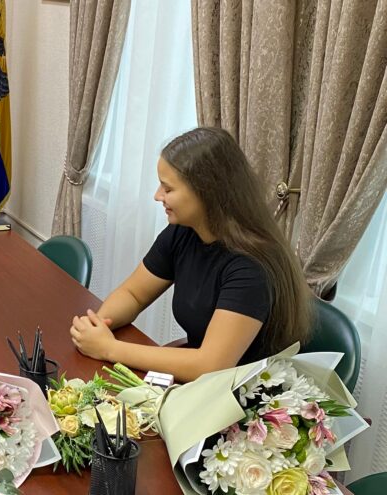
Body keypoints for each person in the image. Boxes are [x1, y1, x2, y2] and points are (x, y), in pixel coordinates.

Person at [69, 127, 312, 383]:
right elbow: (134, 294)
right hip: (202, 383)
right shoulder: (183, 232)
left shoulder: (251, 268)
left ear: (206, 192)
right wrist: (99, 326)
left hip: (246, 396)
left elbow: (210, 365)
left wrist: (109, 349)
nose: (157, 196)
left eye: (168, 188)